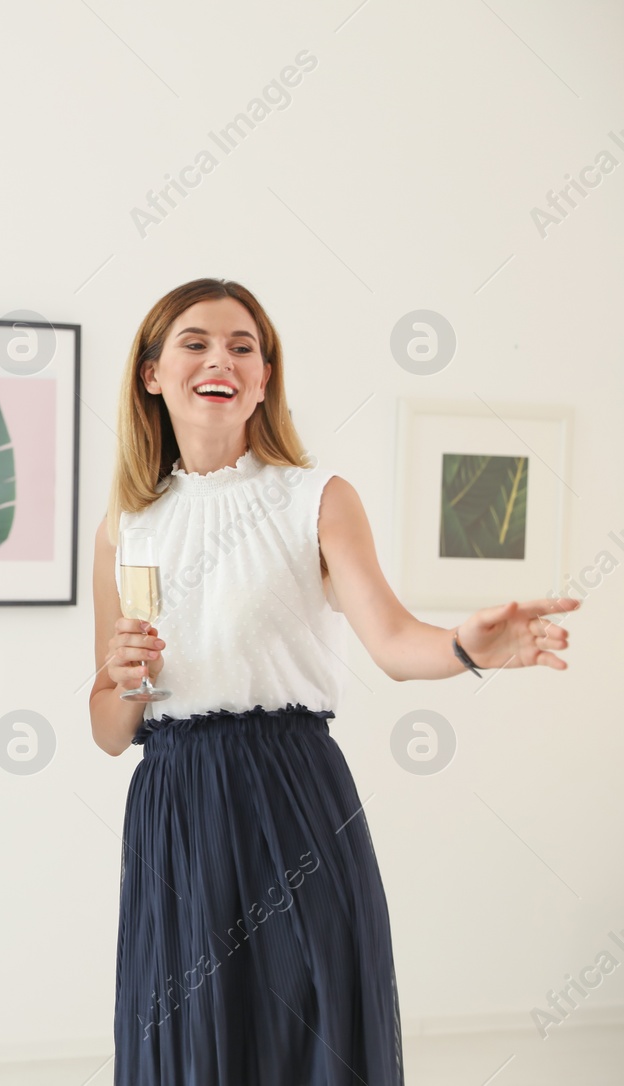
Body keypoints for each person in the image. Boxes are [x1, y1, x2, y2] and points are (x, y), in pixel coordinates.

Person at [89, 278, 579, 1085]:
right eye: (197, 343)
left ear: (266, 375)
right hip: (173, 801)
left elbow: (393, 641)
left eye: (244, 347)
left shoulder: (314, 498)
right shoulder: (124, 525)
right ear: (151, 374)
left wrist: (465, 645)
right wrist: (124, 681)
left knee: (309, 1029)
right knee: (184, 1045)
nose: (223, 360)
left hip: (289, 788)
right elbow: (109, 731)